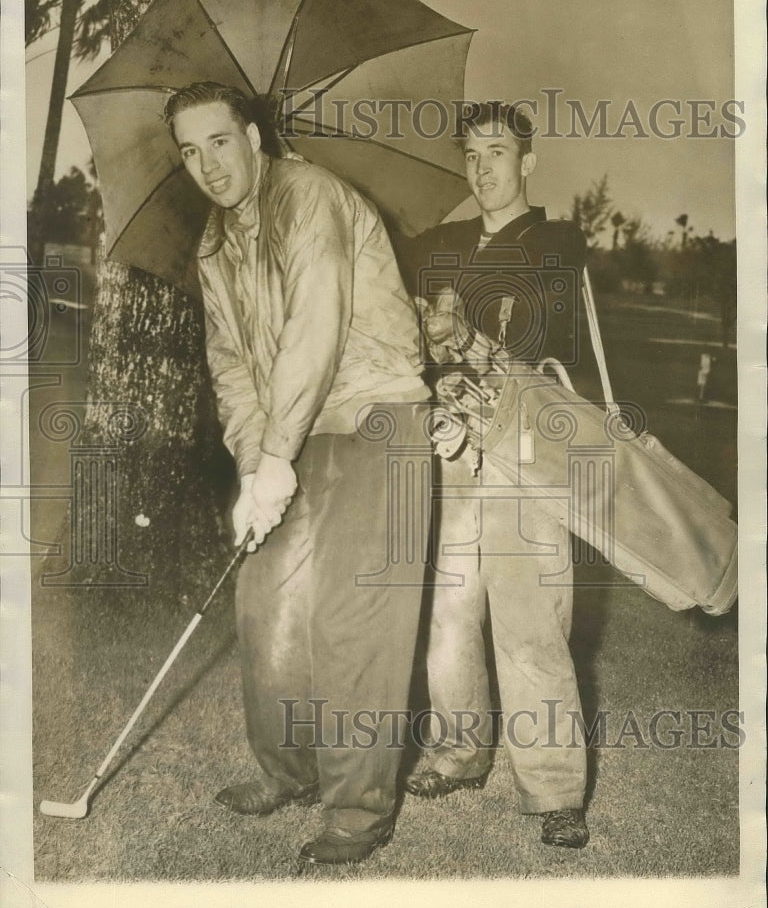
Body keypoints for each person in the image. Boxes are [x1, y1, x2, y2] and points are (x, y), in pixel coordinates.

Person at [163, 82, 431, 865]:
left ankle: (359, 808)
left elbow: (316, 323)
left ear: (251, 136)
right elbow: (233, 371)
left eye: (218, 142)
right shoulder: (213, 246)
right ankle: (290, 769)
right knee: (265, 600)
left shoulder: (308, 194)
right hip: (291, 430)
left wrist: (277, 455)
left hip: (379, 414)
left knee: (354, 618)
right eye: (188, 151)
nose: (207, 166)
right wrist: (256, 469)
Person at [398, 101, 601, 849]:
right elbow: (391, 302)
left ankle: (553, 791)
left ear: (527, 162)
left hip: (525, 451)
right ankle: (457, 749)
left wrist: (464, 324)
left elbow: (553, 335)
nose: (482, 168)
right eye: (472, 154)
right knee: (450, 609)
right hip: (452, 449)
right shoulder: (438, 242)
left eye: (497, 152)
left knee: (529, 619)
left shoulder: (556, 240)